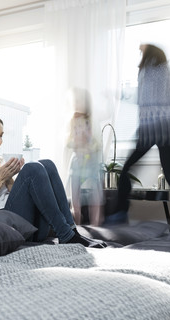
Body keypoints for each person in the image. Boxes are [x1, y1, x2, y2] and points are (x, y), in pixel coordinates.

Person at [0, 112, 106, 248]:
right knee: (32, 168)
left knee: (46, 164)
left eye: (1, 135)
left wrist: (10, 181)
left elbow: (15, 198)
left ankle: (71, 231)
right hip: (7, 228)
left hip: (29, 224)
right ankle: (66, 235)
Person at [111, 44, 170, 240]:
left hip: (150, 128)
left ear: (149, 54)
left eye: (142, 52)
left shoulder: (147, 72)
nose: (140, 55)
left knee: (127, 169)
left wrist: (121, 95)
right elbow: (153, 94)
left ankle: (120, 212)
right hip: (168, 129)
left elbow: (142, 97)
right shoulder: (166, 73)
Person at [65, 88, 103, 226]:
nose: (76, 103)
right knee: (74, 192)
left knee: (95, 192)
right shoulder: (72, 120)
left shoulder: (91, 121)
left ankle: (96, 221)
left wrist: (88, 139)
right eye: (74, 101)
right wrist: (75, 142)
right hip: (77, 159)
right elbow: (69, 141)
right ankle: (77, 217)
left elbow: (96, 143)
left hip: (90, 160)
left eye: (79, 101)